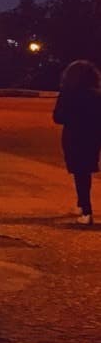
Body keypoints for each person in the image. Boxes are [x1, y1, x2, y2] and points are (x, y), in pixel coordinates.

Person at [53, 60, 101, 225]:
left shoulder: (68, 93)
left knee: (80, 173)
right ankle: (81, 205)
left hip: (74, 135)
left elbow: (58, 117)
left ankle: (86, 211)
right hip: (93, 135)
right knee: (85, 171)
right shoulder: (97, 94)